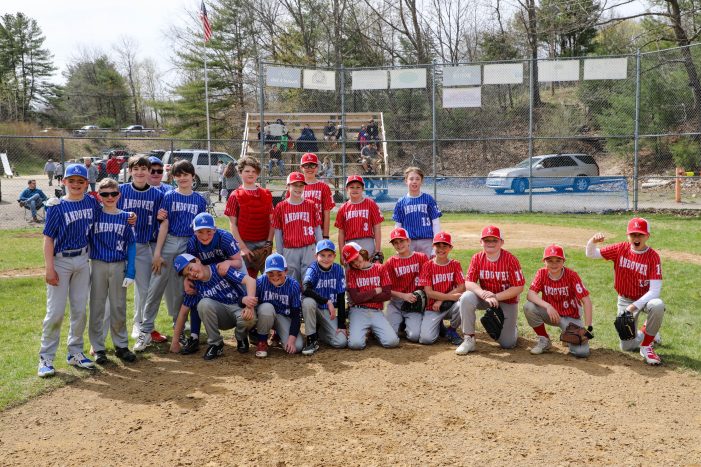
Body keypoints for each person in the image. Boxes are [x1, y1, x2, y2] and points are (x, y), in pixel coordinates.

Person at [135, 159, 207, 352]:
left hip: (187, 244)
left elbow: (198, 231)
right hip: (169, 241)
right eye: (179, 175)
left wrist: (195, 257)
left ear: (193, 176)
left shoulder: (200, 200)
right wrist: (157, 253)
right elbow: (164, 225)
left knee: (179, 291)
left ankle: (179, 330)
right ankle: (145, 331)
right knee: (155, 288)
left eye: (186, 174)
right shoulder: (168, 196)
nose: (183, 178)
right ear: (173, 178)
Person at [38, 164, 100, 377]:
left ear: (86, 183)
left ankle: (75, 352)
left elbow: (108, 213)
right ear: (63, 182)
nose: (76, 184)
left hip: (83, 259)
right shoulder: (56, 207)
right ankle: (46, 358)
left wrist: (128, 217)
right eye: (71, 180)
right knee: (55, 312)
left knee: (79, 310)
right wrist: (49, 268)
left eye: (80, 181)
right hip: (61, 261)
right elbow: (48, 239)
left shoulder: (91, 202)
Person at [585, 217, 665, 365]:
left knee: (658, 305)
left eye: (640, 234)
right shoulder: (620, 249)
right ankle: (649, 332)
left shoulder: (653, 257)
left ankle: (647, 345)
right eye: (633, 234)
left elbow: (655, 291)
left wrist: (634, 307)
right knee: (626, 347)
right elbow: (591, 254)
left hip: (645, 299)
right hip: (625, 299)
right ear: (628, 235)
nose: (636, 238)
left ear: (648, 236)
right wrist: (592, 242)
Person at [87, 178, 137, 365]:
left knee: (118, 306)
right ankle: (98, 347)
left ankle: (121, 345)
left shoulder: (126, 216)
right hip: (98, 263)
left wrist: (131, 271)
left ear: (119, 195)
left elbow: (131, 244)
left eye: (113, 193)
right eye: (105, 194)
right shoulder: (94, 214)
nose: (109, 197)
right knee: (97, 307)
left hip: (118, 264)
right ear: (98, 195)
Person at [169, 254, 257, 360]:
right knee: (203, 304)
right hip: (220, 317)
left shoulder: (219, 269)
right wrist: (174, 342)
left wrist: (249, 307)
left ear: (197, 260)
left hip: (237, 308)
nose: (192, 274)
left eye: (190, 268)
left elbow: (250, 281)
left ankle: (241, 337)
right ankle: (216, 344)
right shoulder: (194, 285)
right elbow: (183, 313)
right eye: (187, 274)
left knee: (250, 318)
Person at [180, 212, 244, 355]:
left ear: (215, 229)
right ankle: (194, 336)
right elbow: (192, 266)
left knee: (245, 291)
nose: (204, 235)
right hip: (206, 272)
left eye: (208, 231)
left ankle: (248, 330)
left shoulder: (225, 238)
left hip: (230, 266)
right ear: (194, 231)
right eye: (200, 232)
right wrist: (187, 279)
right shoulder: (193, 243)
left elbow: (239, 262)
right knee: (197, 296)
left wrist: (227, 262)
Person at [118, 155, 166, 342]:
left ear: (148, 172)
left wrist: (162, 215)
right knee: (115, 291)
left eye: (143, 169)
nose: (140, 172)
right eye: (135, 169)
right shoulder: (120, 191)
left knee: (145, 290)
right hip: (120, 246)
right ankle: (114, 330)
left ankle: (141, 326)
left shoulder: (157, 195)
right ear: (129, 171)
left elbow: (162, 220)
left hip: (142, 246)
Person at [456, 225, 525, 355]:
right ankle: (469, 339)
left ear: (501, 242)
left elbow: (519, 287)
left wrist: (496, 296)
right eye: (487, 240)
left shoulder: (511, 260)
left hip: (506, 300)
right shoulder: (477, 258)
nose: (490, 243)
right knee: (466, 297)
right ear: (481, 242)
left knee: (508, 344)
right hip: (485, 297)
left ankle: (512, 328)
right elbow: (469, 282)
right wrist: (483, 294)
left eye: (494, 240)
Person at [524, 244, 593, 357]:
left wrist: (589, 326)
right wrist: (548, 306)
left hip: (571, 318)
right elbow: (530, 294)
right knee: (528, 307)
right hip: (551, 314)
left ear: (563, 261)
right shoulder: (541, 273)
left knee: (582, 353)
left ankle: (566, 334)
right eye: (550, 260)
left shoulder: (572, 275)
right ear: (544, 262)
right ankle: (544, 340)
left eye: (558, 260)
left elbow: (586, 301)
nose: (554, 264)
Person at [224, 156, 274, 277]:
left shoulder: (266, 194)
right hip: (245, 242)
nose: (251, 174)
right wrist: (242, 247)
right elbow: (233, 224)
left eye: (254, 171)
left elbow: (272, 221)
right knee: (247, 280)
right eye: (247, 171)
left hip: (264, 242)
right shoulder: (235, 195)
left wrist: (269, 242)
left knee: (269, 278)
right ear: (240, 172)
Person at [344, 242, 399, 350]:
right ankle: (364, 331)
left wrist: (363, 297)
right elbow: (355, 298)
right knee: (355, 344)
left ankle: (373, 332)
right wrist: (375, 291)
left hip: (376, 311)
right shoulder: (351, 273)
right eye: (351, 262)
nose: (356, 263)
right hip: (358, 310)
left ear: (362, 252)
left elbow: (387, 295)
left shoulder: (380, 268)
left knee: (392, 342)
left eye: (356, 258)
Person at [272, 172, 322, 283]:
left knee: (309, 278)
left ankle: (308, 300)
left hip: (309, 247)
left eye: (301, 185)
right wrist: (280, 253)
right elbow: (278, 232)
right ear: (288, 186)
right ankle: (294, 300)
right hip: (290, 248)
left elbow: (317, 228)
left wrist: (320, 249)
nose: (298, 188)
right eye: (295, 185)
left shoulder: (311, 204)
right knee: (291, 279)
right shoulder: (280, 207)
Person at [417, 232, 465, 345]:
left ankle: (451, 331)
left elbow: (461, 286)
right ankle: (439, 325)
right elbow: (429, 292)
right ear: (433, 246)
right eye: (438, 246)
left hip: (450, 306)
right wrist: (449, 297)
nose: (441, 249)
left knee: (463, 302)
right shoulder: (427, 265)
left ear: (450, 248)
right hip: (433, 307)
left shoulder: (455, 264)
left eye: (445, 246)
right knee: (426, 339)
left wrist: (442, 299)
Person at [301, 239, 347, 355]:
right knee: (308, 302)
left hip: (327, 312)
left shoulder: (338, 269)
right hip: (316, 308)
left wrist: (341, 325)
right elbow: (306, 288)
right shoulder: (313, 269)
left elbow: (341, 297)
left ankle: (320, 332)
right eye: (322, 255)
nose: (326, 259)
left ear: (334, 256)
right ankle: (311, 339)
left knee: (341, 342)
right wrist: (326, 301)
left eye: (329, 255)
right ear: (316, 255)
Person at [253, 253, 304, 358]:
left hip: (283, 317)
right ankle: (262, 341)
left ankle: (278, 335)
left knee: (297, 346)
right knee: (267, 308)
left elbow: (296, 315)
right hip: (265, 315)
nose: (275, 277)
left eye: (279, 273)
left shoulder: (293, 285)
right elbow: (247, 302)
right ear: (265, 272)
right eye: (270, 273)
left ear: (286, 271)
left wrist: (291, 339)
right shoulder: (260, 281)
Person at [384, 228, 429, 340]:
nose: (399, 245)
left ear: (408, 241)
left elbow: (428, 281)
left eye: (401, 241)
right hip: (396, 303)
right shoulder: (391, 262)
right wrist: (403, 295)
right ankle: (398, 323)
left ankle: (406, 324)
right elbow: (385, 289)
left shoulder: (421, 258)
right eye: (395, 243)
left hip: (414, 304)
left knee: (414, 336)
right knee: (389, 337)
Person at [392, 166, 442, 257]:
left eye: (417, 179)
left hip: (427, 241)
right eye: (411, 179)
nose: (414, 181)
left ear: (421, 181)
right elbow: (398, 226)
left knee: (427, 269)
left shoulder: (428, 199)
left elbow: (436, 223)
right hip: (408, 242)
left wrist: (436, 245)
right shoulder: (401, 202)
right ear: (406, 181)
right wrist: (398, 243)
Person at [335, 175, 383, 257]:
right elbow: (341, 233)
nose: (355, 190)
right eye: (352, 187)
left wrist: (377, 249)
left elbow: (377, 227)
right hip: (350, 243)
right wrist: (342, 254)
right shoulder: (343, 208)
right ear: (347, 189)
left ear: (363, 189)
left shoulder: (370, 204)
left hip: (367, 241)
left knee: (369, 268)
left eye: (358, 187)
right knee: (350, 269)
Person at [289, 153, 335, 239]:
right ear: (301, 167)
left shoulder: (324, 187)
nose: (309, 168)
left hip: (318, 231)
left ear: (317, 167)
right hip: (298, 230)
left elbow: (327, 213)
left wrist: (325, 235)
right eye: (306, 165)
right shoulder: (295, 186)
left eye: (312, 165)